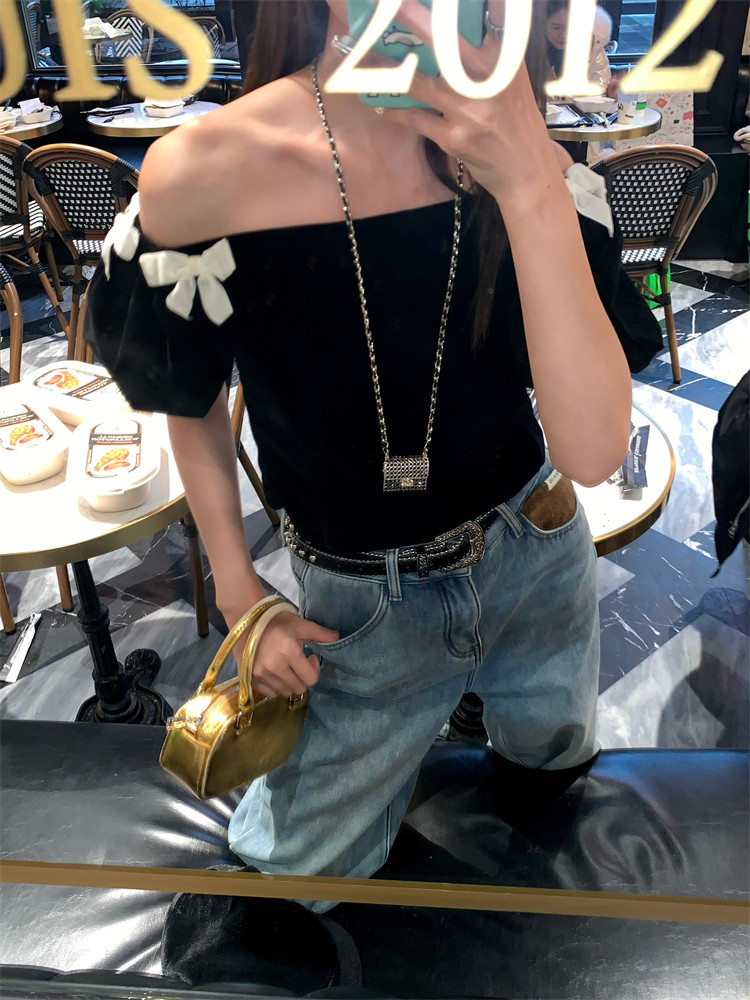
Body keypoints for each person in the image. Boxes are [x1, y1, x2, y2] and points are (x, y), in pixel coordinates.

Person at [87, 0, 633, 910]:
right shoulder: (208, 167)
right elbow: (190, 392)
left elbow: (594, 446)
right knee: (293, 882)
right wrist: (238, 590)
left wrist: (531, 178)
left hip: (537, 552)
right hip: (359, 608)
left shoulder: (522, 148)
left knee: (553, 784)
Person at [546, 0, 616, 97]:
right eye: (556, 28)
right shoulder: (530, 51)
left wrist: (610, 94)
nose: (564, 35)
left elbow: (599, 91)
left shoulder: (592, 48)